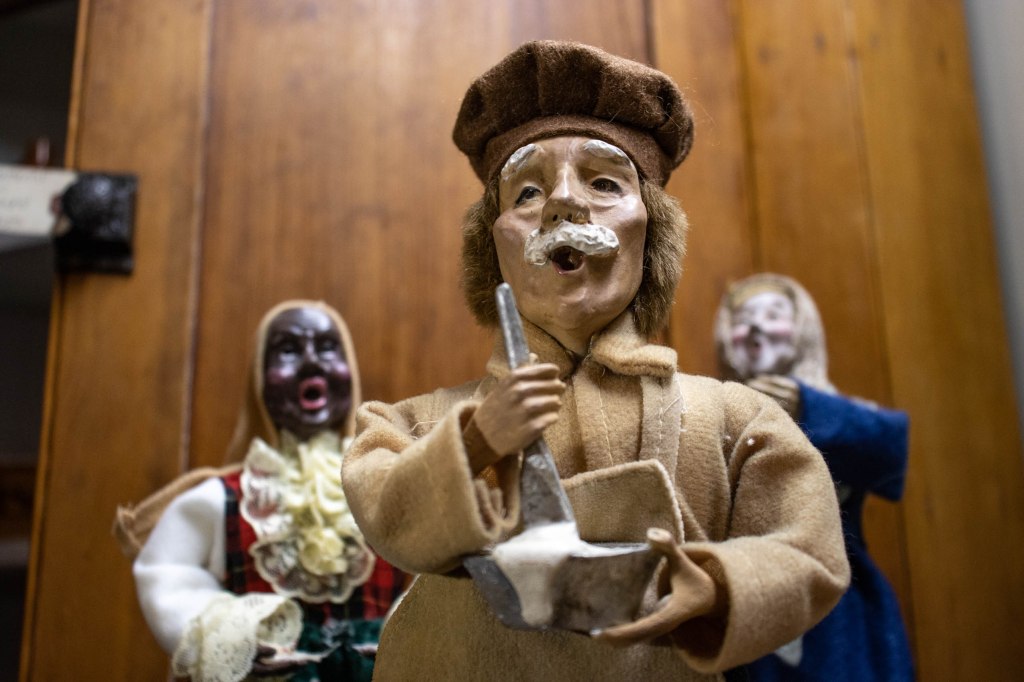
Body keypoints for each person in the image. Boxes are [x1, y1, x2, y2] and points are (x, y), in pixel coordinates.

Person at [340, 41, 850, 680]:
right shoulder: (414, 424)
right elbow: (384, 505)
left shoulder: (735, 419)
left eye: (604, 182)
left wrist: (719, 587)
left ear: (653, 231)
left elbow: (809, 549)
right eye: (527, 192)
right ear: (490, 247)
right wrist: (474, 443)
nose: (563, 202)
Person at [114, 301, 405, 682]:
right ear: (259, 381)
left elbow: (432, 572)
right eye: (288, 350)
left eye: (327, 348)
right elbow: (167, 575)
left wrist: (406, 635)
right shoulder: (222, 500)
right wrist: (233, 639)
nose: (311, 362)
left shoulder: (386, 488)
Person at [715, 273, 914, 682]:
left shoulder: (837, 411)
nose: (756, 327)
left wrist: (807, 408)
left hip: (838, 611)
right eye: (744, 319)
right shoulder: (716, 419)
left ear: (802, 329)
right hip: (752, 598)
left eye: (774, 315)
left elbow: (888, 452)